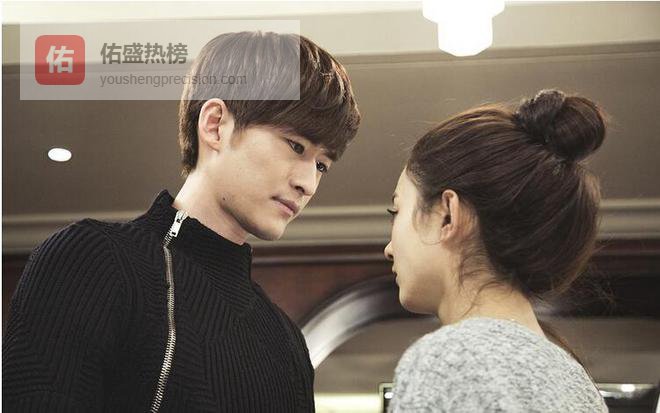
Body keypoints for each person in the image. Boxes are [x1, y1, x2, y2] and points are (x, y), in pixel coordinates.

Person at [3, 31, 360, 412]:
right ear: (215, 125)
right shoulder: (92, 261)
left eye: (322, 165)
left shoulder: (287, 341)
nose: (308, 183)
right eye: (296, 146)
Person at [384, 89, 608, 412]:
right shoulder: (578, 384)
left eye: (397, 210)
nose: (389, 249)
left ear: (448, 215)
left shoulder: (448, 362)